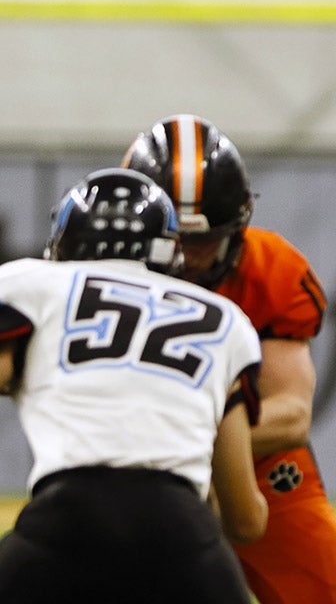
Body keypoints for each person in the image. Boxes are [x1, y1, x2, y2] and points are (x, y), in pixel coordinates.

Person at [122, 114, 336, 604]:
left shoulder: (269, 270)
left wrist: (190, 442)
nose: (189, 257)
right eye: (176, 240)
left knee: (329, 590)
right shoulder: (99, 277)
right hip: (129, 470)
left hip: (254, 464)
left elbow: (291, 415)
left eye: (204, 240)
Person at [0, 167, 267, 603]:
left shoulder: (31, 283)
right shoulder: (226, 321)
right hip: (183, 535)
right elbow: (245, 520)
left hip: (67, 519)